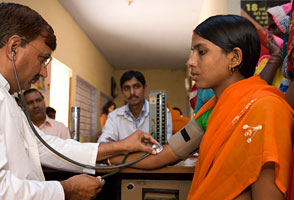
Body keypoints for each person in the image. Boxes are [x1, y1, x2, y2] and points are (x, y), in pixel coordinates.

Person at [0, 3, 159, 199]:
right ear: (14, 48)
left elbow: (41, 146)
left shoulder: (2, 92)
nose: (43, 72)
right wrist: (66, 190)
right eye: (43, 59)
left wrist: (121, 146)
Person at [110, 15, 294, 199]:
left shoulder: (266, 108)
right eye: (193, 52)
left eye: (202, 51)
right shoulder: (210, 111)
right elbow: (162, 156)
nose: (190, 61)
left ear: (235, 57)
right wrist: (106, 157)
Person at [97, 70, 173, 143]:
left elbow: (164, 147)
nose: (132, 92)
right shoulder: (114, 116)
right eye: (127, 88)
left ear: (144, 88)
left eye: (136, 87)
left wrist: (120, 146)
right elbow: (104, 143)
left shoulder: (162, 113)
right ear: (122, 91)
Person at [255, 3, 292, 92]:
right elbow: (257, 91)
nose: (270, 34)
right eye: (269, 29)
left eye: (274, 27)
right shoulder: (266, 62)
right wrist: (276, 57)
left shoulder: (292, 62)